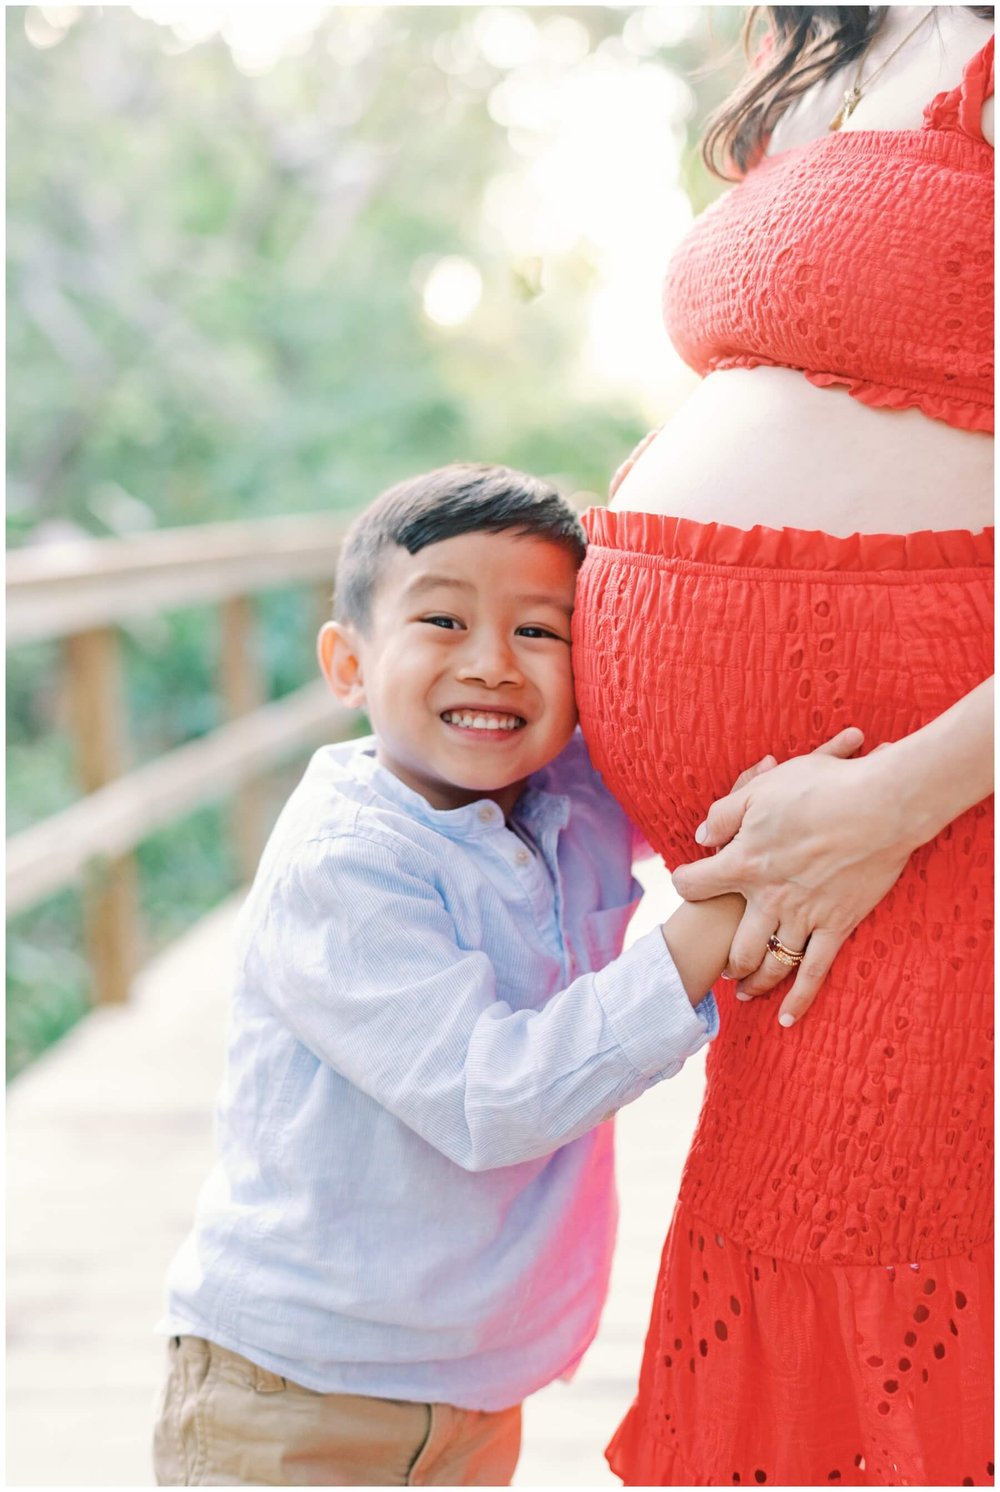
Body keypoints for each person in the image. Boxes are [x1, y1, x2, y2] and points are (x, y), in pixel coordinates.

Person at [155, 462, 847, 1487]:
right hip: (291, 1395)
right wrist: (718, 917)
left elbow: (706, 746)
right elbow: (492, 1095)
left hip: (476, 1390)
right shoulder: (343, 864)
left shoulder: (563, 797)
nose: (491, 663)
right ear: (346, 664)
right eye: (441, 622)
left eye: (540, 630)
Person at [571, 6, 993, 1486]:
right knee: (815, 1234)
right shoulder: (842, 33)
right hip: (807, 870)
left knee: (901, 1273)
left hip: (936, 812)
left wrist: (887, 800)